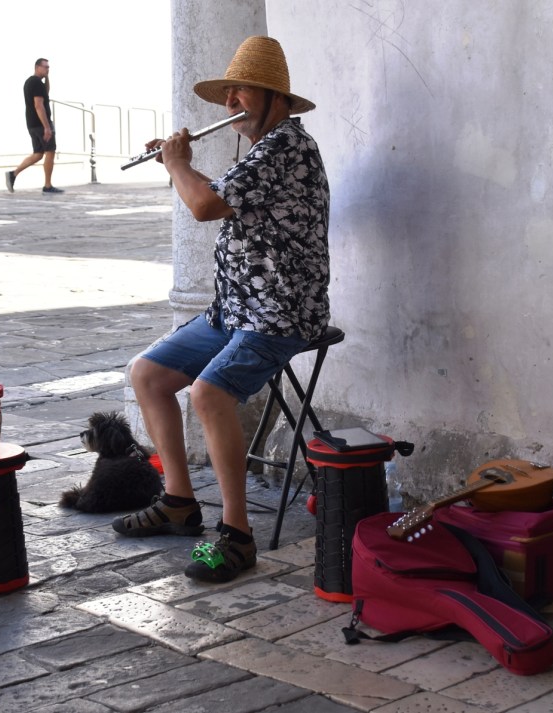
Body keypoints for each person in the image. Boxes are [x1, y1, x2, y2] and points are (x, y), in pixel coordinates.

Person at [111, 36, 330, 584]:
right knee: (148, 375)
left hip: (279, 314)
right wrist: (176, 166)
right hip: (234, 309)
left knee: (208, 394)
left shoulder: (286, 147)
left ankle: (237, 535)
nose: (231, 102)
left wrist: (176, 163)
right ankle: (178, 503)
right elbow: (213, 193)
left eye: (243, 91)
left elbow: (205, 204)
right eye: (228, 92)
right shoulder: (261, 149)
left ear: (277, 98)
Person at [6, 57, 63, 194]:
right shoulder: (36, 83)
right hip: (40, 124)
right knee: (50, 151)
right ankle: (48, 185)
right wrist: (47, 127)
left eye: (49, 67)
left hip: (32, 124)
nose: (48, 69)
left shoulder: (32, 82)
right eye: (45, 67)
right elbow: (39, 105)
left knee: (38, 154)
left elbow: (46, 94)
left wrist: (47, 78)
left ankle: (13, 174)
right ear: (37, 67)